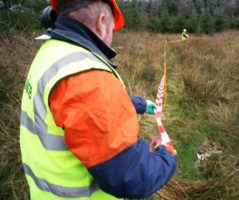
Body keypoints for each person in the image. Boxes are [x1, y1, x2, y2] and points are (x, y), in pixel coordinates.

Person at [19, 0, 177, 199]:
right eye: (112, 29)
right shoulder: (87, 77)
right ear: (101, 23)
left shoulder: (52, 52)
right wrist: (167, 154)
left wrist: (141, 105)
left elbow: (81, 109)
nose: (111, 37)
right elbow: (132, 177)